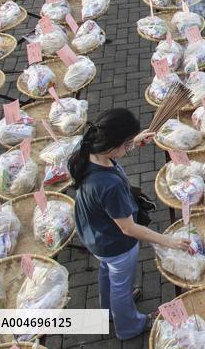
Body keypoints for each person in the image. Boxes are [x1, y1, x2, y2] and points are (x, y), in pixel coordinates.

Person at [69, 108, 191, 340]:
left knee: (109, 273)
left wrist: (134, 141)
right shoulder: (109, 186)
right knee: (121, 287)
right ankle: (129, 326)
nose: (128, 149)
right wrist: (169, 241)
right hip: (115, 243)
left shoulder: (86, 148)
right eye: (125, 145)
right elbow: (128, 228)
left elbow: (115, 151)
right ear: (113, 144)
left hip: (94, 233)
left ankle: (109, 311)